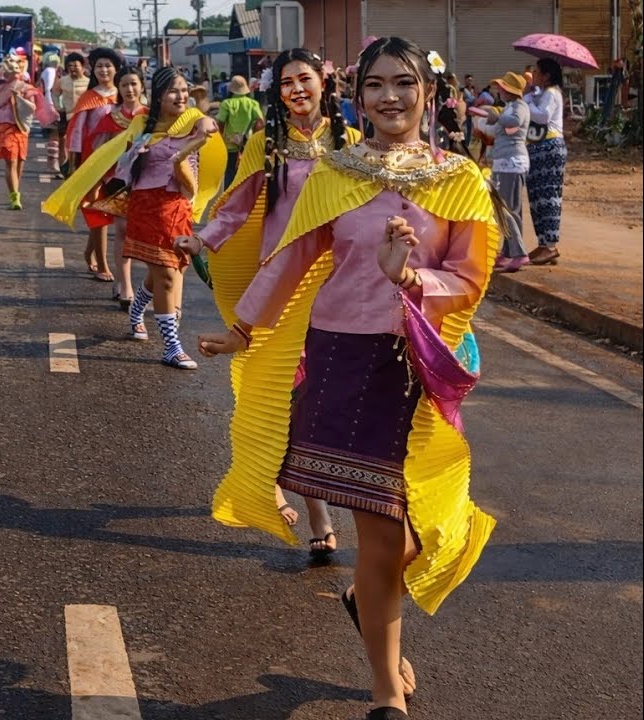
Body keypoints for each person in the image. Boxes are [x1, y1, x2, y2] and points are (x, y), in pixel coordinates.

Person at [199, 37, 500, 720]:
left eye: (403, 83)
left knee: (413, 530)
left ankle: (366, 598)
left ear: (429, 95)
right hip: (340, 356)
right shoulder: (335, 173)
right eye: (374, 86)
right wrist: (244, 330)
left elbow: (471, 278)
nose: (389, 97)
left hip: (417, 364)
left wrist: (412, 277)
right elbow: (289, 259)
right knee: (382, 535)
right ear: (357, 96)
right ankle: (386, 689)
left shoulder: (459, 179)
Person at [178, 47, 359, 557]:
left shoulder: (353, 143)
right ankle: (317, 512)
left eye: (305, 78)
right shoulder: (268, 141)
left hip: (335, 288)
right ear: (275, 91)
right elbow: (237, 205)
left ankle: (289, 482)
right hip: (279, 284)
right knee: (287, 396)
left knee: (326, 400)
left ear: (324, 82)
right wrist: (204, 238)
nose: (297, 89)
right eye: (287, 82)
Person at [44, 66, 224, 369]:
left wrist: (206, 120)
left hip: (178, 208)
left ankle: (136, 311)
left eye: (183, 90)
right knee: (166, 276)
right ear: (158, 96)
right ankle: (171, 346)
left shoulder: (195, 123)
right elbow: (120, 160)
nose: (180, 96)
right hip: (147, 207)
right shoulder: (143, 124)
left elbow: (211, 125)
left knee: (165, 273)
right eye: (172, 91)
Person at [84, 65, 149, 309]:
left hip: (147, 182)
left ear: (142, 85)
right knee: (121, 231)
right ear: (118, 88)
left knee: (142, 235)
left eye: (134, 84)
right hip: (118, 182)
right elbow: (99, 153)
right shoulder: (110, 117)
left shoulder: (152, 116)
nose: (130, 89)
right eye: (124, 85)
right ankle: (125, 286)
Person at [65, 47, 123, 283]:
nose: (104, 70)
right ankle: (103, 264)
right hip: (94, 162)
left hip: (121, 163)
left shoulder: (125, 94)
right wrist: (75, 163)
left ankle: (90, 251)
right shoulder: (88, 98)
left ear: (116, 69)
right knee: (97, 211)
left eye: (108, 65)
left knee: (113, 213)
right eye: (99, 66)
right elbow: (77, 132)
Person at [0, 52, 55, 210]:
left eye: (13, 69)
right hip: (4, 127)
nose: (10, 72)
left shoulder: (26, 88)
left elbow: (31, 107)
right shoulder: (0, 88)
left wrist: (19, 99)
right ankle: (14, 196)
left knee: (19, 162)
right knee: (10, 161)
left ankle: (15, 190)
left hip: (21, 128)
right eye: (8, 69)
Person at [480, 71, 531, 273]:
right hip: (504, 162)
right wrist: (483, 122)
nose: (499, 91)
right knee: (509, 208)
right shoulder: (510, 107)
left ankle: (519, 253)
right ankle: (509, 251)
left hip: (512, 162)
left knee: (506, 209)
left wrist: (498, 116)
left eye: (502, 88)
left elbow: (513, 122)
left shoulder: (520, 107)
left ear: (510, 90)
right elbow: (499, 129)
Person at [524, 57, 566, 266]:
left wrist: (527, 102)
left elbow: (542, 117)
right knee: (537, 198)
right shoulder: (542, 93)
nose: (534, 75)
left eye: (537, 71)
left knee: (548, 197)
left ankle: (550, 245)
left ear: (546, 75)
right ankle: (543, 243)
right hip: (539, 148)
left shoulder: (552, 93)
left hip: (549, 148)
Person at [213, 75, 264, 190]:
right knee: (246, 170)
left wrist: (220, 139)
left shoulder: (227, 104)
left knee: (230, 170)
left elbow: (220, 123)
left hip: (230, 144)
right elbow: (260, 122)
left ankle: (227, 197)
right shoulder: (253, 104)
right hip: (247, 143)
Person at [56, 52, 90, 170]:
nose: (72, 68)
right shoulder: (62, 80)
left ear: (82, 67)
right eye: (69, 66)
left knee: (78, 144)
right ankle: (62, 167)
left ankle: (75, 167)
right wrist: (58, 107)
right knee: (63, 141)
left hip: (83, 118)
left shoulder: (89, 82)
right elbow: (55, 94)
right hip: (66, 116)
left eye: (75, 65)